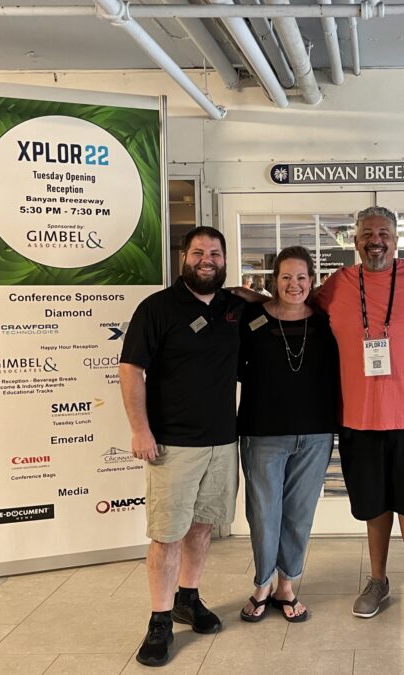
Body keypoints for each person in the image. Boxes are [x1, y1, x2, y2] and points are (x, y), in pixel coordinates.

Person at [315, 206, 404, 632]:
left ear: (396, 239)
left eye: (383, 234)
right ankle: (378, 581)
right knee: (374, 507)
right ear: (355, 240)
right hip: (359, 419)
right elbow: (294, 306)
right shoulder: (335, 286)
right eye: (367, 234)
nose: (375, 241)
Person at [119, 226, 243, 667]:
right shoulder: (157, 308)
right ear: (183, 257)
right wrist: (140, 430)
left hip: (222, 441)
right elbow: (130, 369)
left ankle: (187, 598)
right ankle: (159, 620)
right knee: (167, 534)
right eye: (198, 252)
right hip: (173, 444)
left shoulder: (233, 307)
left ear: (224, 260)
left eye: (215, 253)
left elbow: (272, 308)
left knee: (202, 526)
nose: (207, 259)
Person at [237, 246, 339, 624]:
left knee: (299, 515)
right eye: (285, 277)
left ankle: (287, 585)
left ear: (312, 281)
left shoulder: (327, 322)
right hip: (263, 433)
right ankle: (263, 583)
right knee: (264, 514)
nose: (294, 284)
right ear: (274, 280)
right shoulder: (250, 318)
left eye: (301, 277)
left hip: (315, 433)